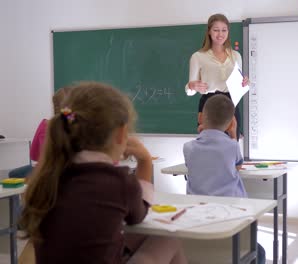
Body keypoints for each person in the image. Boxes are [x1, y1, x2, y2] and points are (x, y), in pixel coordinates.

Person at [19, 82, 187, 264]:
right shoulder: (119, 182)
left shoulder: (47, 178)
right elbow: (138, 216)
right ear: (122, 134)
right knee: (167, 239)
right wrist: (145, 161)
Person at [183, 94, 265, 264]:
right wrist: (233, 134)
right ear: (230, 123)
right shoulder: (232, 145)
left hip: (197, 220)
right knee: (260, 252)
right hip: (231, 217)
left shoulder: (188, 148)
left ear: (200, 118)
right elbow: (237, 165)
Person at [185, 13, 249, 140]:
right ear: (209, 31)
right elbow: (190, 90)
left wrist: (244, 82)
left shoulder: (236, 55)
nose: (220, 34)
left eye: (224, 30)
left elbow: (239, 82)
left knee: (231, 144)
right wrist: (191, 86)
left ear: (228, 32)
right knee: (209, 145)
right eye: (216, 30)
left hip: (230, 103)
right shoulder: (198, 56)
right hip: (209, 104)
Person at [8, 86, 72, 179]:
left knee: (13, 174)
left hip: (51, 171)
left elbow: (36, 156)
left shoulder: (46, 125)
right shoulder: (77, 126)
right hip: (65, 170)